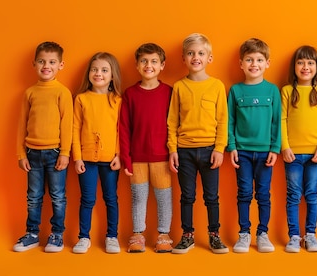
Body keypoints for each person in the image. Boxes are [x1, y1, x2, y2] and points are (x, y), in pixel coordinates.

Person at [167, 33, 229, 254]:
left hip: (210, 150)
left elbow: (223, 120)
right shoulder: (179, 87)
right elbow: (172, 120)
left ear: (209, 58)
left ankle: (214, 235)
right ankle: (187, 236)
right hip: (185, 151)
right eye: (191, 53)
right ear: (184, 58)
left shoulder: (217, 86)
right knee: (187, 196)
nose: (196, 57)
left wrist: (220, 149)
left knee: (212, 196)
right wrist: (173, 149)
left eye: (201, 53)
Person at [14, 41, 73, 253]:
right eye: (41, 61)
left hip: (56, 153)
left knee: (58, 196)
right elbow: (22, 124)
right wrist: (21, 154)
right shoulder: (29, 93)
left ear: (61, 65)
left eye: (51, 62)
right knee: (34, 196)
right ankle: (31, 233)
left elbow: (67, 125)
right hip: (32, 153)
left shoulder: (62, 92)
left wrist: (65, 153)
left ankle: (57, 235)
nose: (46, 66)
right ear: (34, 64)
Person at [119, 43, 174, 253]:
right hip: (137, 158)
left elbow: (174, 124)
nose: (148, 65)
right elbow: (124, 127)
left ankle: (163, 234)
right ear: (137, 65)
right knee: (138, 197)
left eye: (153, 61)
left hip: (163, 157)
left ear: (162, 65)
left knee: (163, 197)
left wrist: (173, 153)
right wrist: (126, 157)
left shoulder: (169, 92)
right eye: (143, 61)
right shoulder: (130, 94)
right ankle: (138, 234)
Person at [227, 38, 281, 253]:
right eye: (249, 60)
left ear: (267, 63)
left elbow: (277, 122)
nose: (254, 64)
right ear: (241, 64)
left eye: (259, 59)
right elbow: (229, 121)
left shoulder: (272, 91)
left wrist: (275, 149)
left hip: (266, 153)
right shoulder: (235, 91)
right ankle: (244, 233)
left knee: (263, 194)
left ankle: (263, 233)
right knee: (244, 193)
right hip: (242, 153)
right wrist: (232, 147)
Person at [281, 45, 317, 253]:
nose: (305, 67)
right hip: (292, 154)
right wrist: (285, 147)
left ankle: (310, 235)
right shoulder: (286, 91)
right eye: (301, 62)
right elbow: (282, 120)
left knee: (312, 194)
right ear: (294, 66)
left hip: (314, 155)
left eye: (310, 63)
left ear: (316, 67)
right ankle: (294, 236)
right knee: (293, 195)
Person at [72, 52, 122, 254]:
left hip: (110, 160)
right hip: (86, 160)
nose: (98, 73)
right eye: (94, 69)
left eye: (104, 70)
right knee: (87, 199)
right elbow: (74, 129)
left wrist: (119, 155)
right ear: (88, 73)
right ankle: (84, 237)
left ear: (112, 75)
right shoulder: (81, 99)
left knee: (111, 198)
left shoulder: (117, 99)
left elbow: (121, 129)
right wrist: (77, 158)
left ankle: (112, 236)